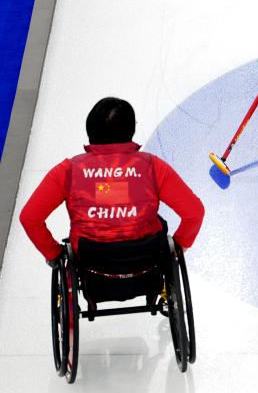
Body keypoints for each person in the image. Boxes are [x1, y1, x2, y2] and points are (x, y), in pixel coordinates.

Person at [19, 97, 205, 268]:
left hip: (91, 268)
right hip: (148, 266)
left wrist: (54, 254)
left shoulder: (68, 171)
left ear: (90, 130)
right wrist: (178, 247)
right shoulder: (153, 167)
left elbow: (30, 217)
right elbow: (194, 212)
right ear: (131, 130)